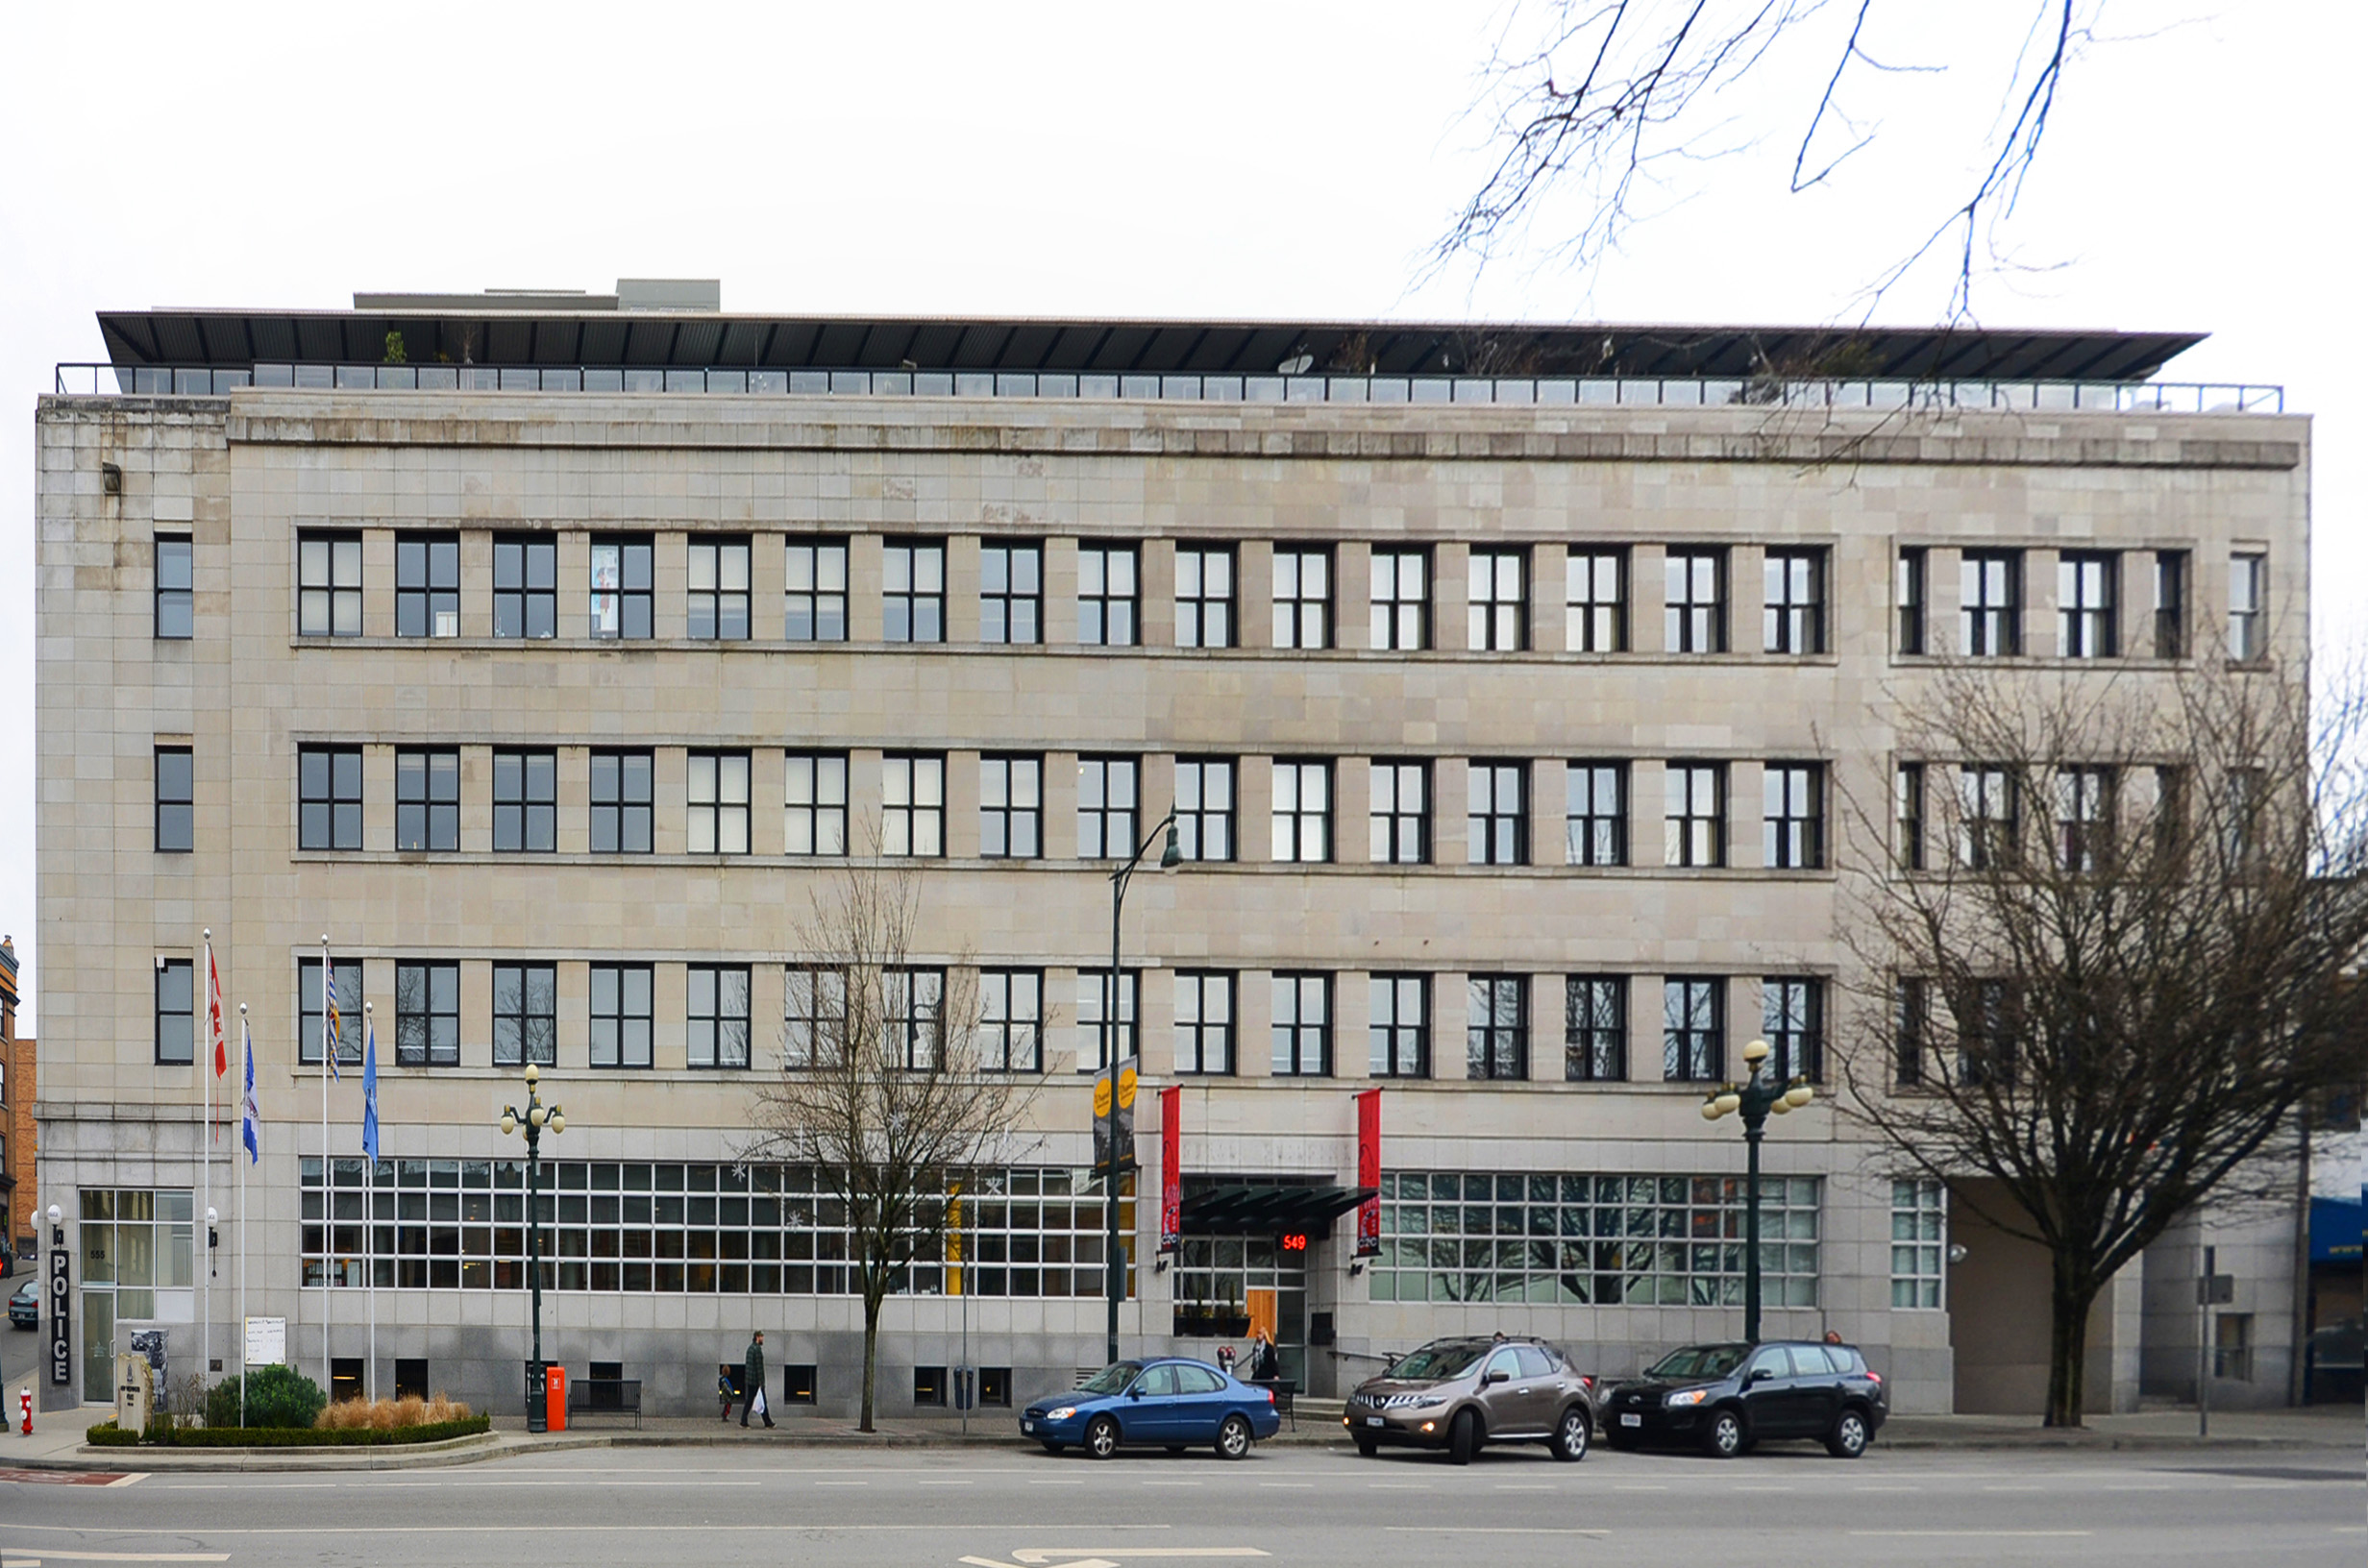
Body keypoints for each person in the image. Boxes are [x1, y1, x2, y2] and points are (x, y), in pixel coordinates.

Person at [743, 1330, 774, 1428]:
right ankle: (767, 1422)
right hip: (756, 1380)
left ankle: (744, 1420)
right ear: (757, 1337)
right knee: (762, 1401)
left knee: (749, 1400)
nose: (762, 1339)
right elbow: (759, 1367)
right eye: (761, 1337)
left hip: (750, 1379)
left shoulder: (750, 1348)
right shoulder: (757, 1350)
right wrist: (761, 1382)